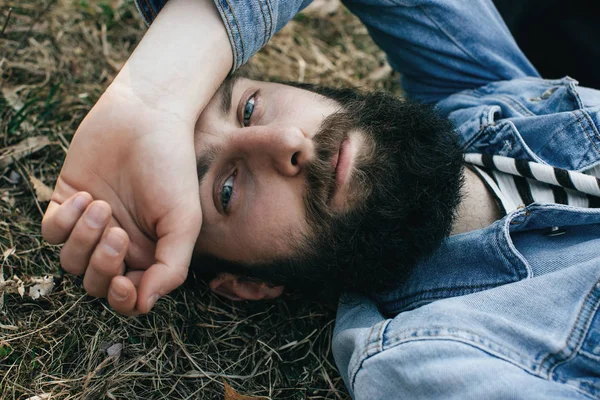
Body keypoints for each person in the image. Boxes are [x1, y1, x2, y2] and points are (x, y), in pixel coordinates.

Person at [42, 0, 600, 397]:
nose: (286, 144)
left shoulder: (478, 99)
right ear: (248, 284)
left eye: (249, 109)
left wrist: (152, 97)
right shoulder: (434, 357)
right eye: (227, 189)